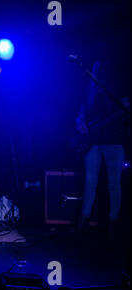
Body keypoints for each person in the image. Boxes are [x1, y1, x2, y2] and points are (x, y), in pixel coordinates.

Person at [76, 52, 130, 240]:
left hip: (114, 141)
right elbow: (81, 110)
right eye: (95, 67)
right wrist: (80, 120)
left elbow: (125, 108)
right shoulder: (88, 89)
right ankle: (84, 220)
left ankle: (113, 222)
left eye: (101, 67)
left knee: (114, 183)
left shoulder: (118, 86)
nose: (97, 70)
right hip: (93, 142)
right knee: (90, 181)